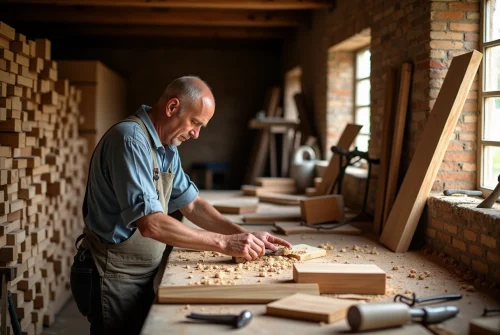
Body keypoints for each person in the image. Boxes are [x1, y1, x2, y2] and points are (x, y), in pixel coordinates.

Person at [70, 76, 292, 335]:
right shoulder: (129, 140)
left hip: (143, 272)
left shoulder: (166, 147)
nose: (196, 134)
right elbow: (151, 223)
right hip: (113, 275)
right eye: (195, 123)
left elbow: (193, 204)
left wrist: (241, 235)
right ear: (172, 107)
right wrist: (223, 243)